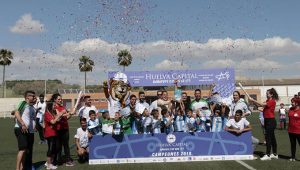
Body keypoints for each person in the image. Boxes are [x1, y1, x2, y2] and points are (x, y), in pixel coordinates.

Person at [249, 88, 279, 160]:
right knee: (272, 138)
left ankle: (268, 155)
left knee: (268, 138)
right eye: (266, 93)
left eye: (268, 93)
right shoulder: (268, 101)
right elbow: (261, 108)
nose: (266, 94)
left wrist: (253, 100)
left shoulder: (272, 101)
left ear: (271, 94)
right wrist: (254, 103)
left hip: (270, 121)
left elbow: (262, 104)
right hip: (267, 121)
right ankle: (275, 154)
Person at [14, 91, 37, 170]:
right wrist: (22, 124)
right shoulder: (23, 103)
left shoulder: (31, 107)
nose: (34, 98)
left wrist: (34, 126)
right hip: (21, 129)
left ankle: (22, 167)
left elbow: (31, 118)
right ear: (27, 97)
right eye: (33, 96)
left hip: (29, 131)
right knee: (22, 149)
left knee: (26, 150)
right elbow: (16, 112)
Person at [51, 93, 75, 166]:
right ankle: (57, 160)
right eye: (59, 99)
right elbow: (58, 117)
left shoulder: (62, 107)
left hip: (65, 129)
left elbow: (66, 118)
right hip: (58, 129)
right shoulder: (53, 108)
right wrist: (69, 113)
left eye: (61, 99)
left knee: (66, 145)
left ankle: (68, 160)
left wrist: (70, 114)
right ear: (54, 100)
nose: (60, 100)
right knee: (58, 146)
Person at [44, 101, 63, 169]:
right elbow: (53, 122)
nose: (55, 106)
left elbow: (58, 119)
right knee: (51, 149)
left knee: (56, 148)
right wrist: (59, 115)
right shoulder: (47, 114)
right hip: (49, 134)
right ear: (49, 106)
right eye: (53, 105)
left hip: (54, 133)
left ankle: (48, 162)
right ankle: (49, 164)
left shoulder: (52, 113)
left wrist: (61, 114)